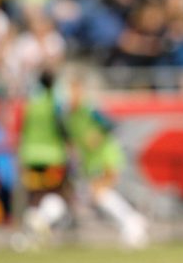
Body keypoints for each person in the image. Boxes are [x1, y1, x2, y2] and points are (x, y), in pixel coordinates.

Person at [62, 73, 148, 249]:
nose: (72, 94)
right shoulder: (69, 115)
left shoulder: (89, 109)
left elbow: (111, 124)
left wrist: (98, 136)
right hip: (91, 161)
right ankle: (132, 222)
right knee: (97, 197)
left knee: (99, 194)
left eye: (75, 90)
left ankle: (132, 223)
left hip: (105, 157)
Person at [16, 71, 70, 250]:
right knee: (57, 196)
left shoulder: (31, 104)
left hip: (30, 155)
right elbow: (61, 127)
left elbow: (23, 128)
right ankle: (41, 223)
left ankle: (29, 236)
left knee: (34, 198)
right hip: (52, 156)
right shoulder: (54, 104)